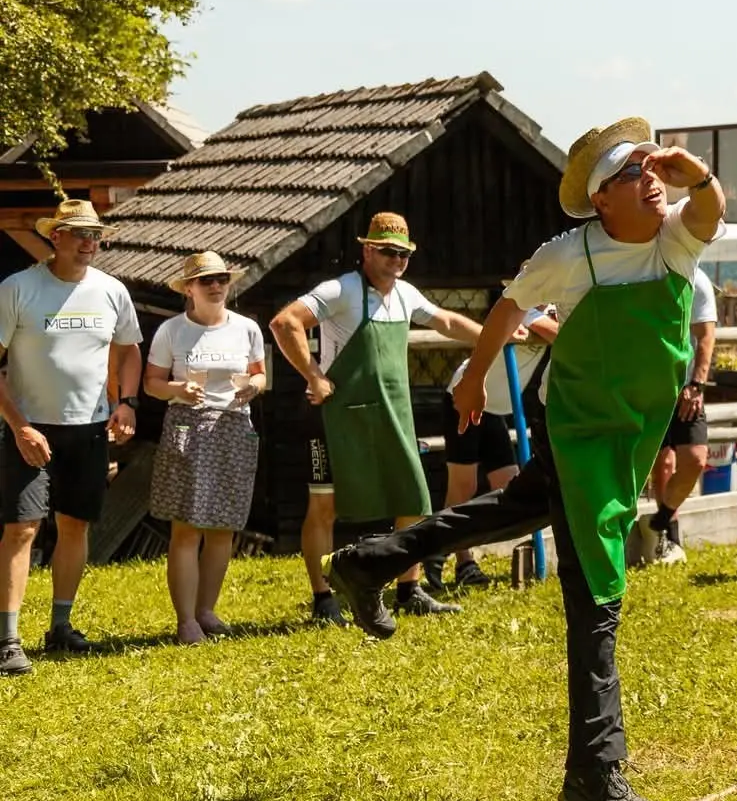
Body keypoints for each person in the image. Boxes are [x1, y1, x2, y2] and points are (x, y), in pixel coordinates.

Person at [327, 120, 724, 801]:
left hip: (626, 436)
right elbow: (509, 305)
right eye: (636, 171)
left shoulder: (672, 241)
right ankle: (596, 775)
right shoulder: (570, 253)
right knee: (597, 593)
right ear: (602, 198)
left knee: (517, 507)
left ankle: (372, 561)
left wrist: (697, 170)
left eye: (653, 166)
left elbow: (710, 210)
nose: (653, 178)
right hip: (578, 431)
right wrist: (473, 378)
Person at [269, 212, 483, 623]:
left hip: (391, 415)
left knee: (414, 500)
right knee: (324, 508)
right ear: (367, 250)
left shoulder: (405, 294)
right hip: (335, 418)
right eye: (388, 251)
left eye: (403, 253)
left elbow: (447, 320)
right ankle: (323, 600)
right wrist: (313, 374)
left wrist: (495, 333)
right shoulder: (342, 290)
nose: (397, 259)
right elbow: (285, 322)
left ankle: (409, 589)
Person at [0, 199, 141, 674]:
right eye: (78, 233)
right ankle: (7, 639)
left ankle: (61, 626)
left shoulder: (112, 291)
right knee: (21, 529)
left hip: (89, 428)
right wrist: (19, 426)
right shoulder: (17, 288)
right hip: (29, 429)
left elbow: (130, 351)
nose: (89, 243)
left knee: (76, 525)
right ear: (54, 237)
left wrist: (126, 403)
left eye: (95, 235)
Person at [144, 252, 267, 643]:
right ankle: (186, 621)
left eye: (221, 279)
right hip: (188, 426)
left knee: (223, 528)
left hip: (233, 425)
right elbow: (151, 383)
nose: (215, 286)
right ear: (190, 289)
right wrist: (177, 389)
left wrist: (255, 387)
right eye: (206, 281)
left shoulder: (247, 328)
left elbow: (260, 374)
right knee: (186, 529)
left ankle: (206, 610)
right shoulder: (172, 331)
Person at [427, 301, 558, 592]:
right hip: (466, 398)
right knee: (463, 487)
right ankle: (449, 556)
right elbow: (559, 334)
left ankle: (455, 551)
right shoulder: (527, 311)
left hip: (495, 409)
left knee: (509, 484)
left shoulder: (552, 310)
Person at [645, 267, 718, 564]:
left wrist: (696, 384)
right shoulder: (641, 271)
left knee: (696, 460)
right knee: (662, 464)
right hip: (648, 387)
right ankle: (668, 540)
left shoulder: (696, 279)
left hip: (686, 388)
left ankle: (659, 521)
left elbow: (705, 336)